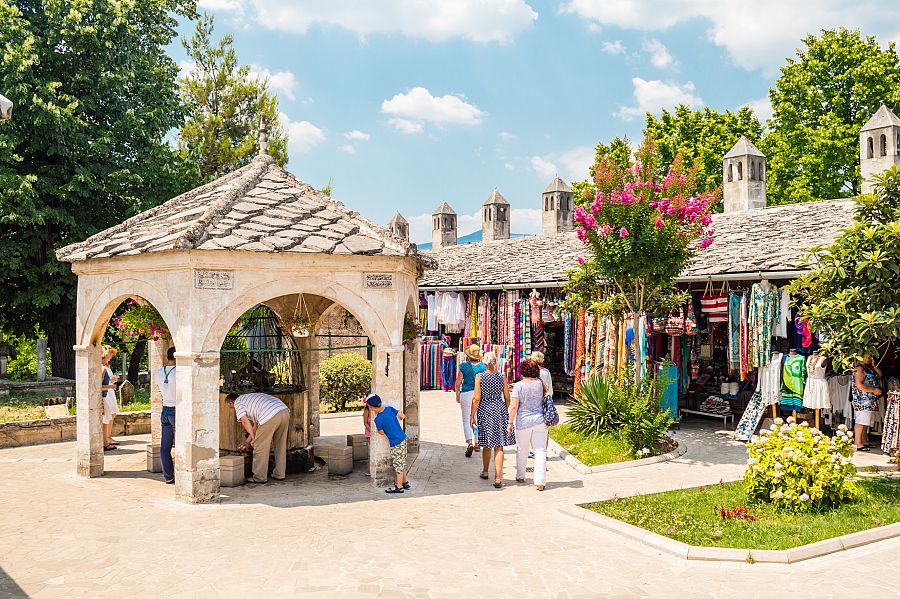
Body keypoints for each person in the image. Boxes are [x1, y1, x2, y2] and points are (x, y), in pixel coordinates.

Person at [225, 392, 290, 483]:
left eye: (230, 406)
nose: (231, 408)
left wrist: (254, 439)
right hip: (284, 411)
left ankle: (259, 477)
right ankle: (279, 474)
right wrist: (248, 441)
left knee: (260, 447)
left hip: (270, 414)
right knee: (280, 444)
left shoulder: (238, 402)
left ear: (232, 402)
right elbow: (256, 425)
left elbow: (244, 421)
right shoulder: (249, 399)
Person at [471, 352, 515, 488]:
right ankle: (498, 478)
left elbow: (476, 398)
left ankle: (485, 471)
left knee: (487, 443)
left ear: (484, 363)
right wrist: (504, 409)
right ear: (495, 363)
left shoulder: (480, 377)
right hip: (499, 409)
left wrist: (472, 415)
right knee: (499, 445)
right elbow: (507, 397)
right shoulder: (502, 377)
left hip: (485, 410)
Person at [509, 359, 549, 491]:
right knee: (540, 450)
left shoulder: (518, 386)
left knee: (522, 449)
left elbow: (514, 406)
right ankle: (540, 481)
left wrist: (510, 422)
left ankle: (520, 475)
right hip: (540, 421)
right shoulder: (540, 384)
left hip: (523, 421)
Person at [367, 394, 409, 494]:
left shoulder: (378, 419)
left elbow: (381, 432)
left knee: (398, 465)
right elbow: (402, 416)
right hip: (403, 438)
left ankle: (399, 487)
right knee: (401, 462)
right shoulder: (389, 409)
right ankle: (405, 482)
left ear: (371, 408)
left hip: (395, 442)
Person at [456, 344, 485, 457]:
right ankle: (477, 443)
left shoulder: (463, 366)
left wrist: (457, 394)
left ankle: (469, 442)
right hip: (479, 394)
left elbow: (458, 382)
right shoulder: (483, 367)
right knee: (477, 418)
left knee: (466, 419)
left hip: (466, 394)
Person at [851, 355, 883, 451]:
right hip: (862, 399)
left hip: (869, 399)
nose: (870, 358)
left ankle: (864, 440)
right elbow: (859, 385)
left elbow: (880, 375)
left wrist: (874, 366)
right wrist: (873, 390)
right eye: (868, 357)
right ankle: (857, 442)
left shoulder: (867, 368)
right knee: (861, 420)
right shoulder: (859, 369)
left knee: (865, 421)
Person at [155, 346, 177, 484]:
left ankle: (168, 476)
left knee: (165, 446)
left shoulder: (159, 372)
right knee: (181, 444)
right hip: (176, 409)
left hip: (165, 409)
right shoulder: (179, 372)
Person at [100, 345, 120, 451]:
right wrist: (111, 386)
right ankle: (105, 441)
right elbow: (99, 385)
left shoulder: (106, 367)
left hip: (108, 392)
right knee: (106, 417)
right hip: (105, 394)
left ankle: (106, 439)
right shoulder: (102, 368)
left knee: (109, 416)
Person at [362, 399, 373, 476]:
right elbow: (365, 423)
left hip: (378, 431)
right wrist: (371, 431)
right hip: (369, 433)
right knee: (371, 451)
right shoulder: (366, 410)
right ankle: (370, 468)